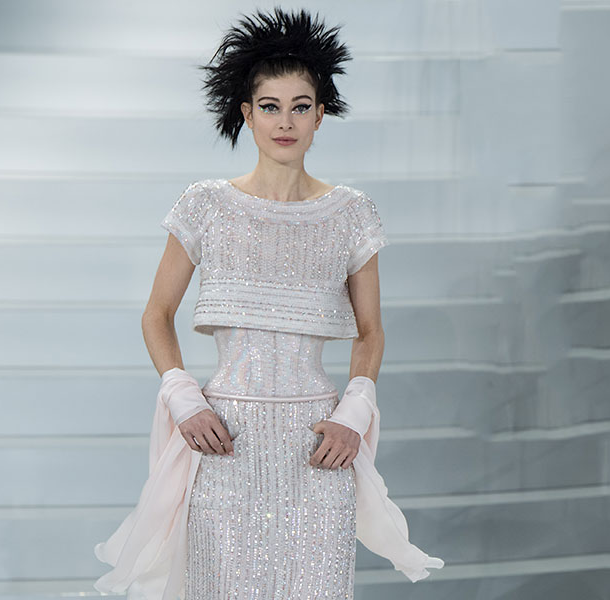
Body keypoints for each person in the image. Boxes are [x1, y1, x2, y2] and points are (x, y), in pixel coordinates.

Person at [92, 7, 443, 599]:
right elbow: (156, 314)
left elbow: (371, 330)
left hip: (318, 445)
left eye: (300, 106)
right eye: (270, 107)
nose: (286, 122)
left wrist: (355, 412)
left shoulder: (352, 213)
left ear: (321, 114)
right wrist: (182, 397)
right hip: (224, 439)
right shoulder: (205, 205)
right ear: (246, 113)